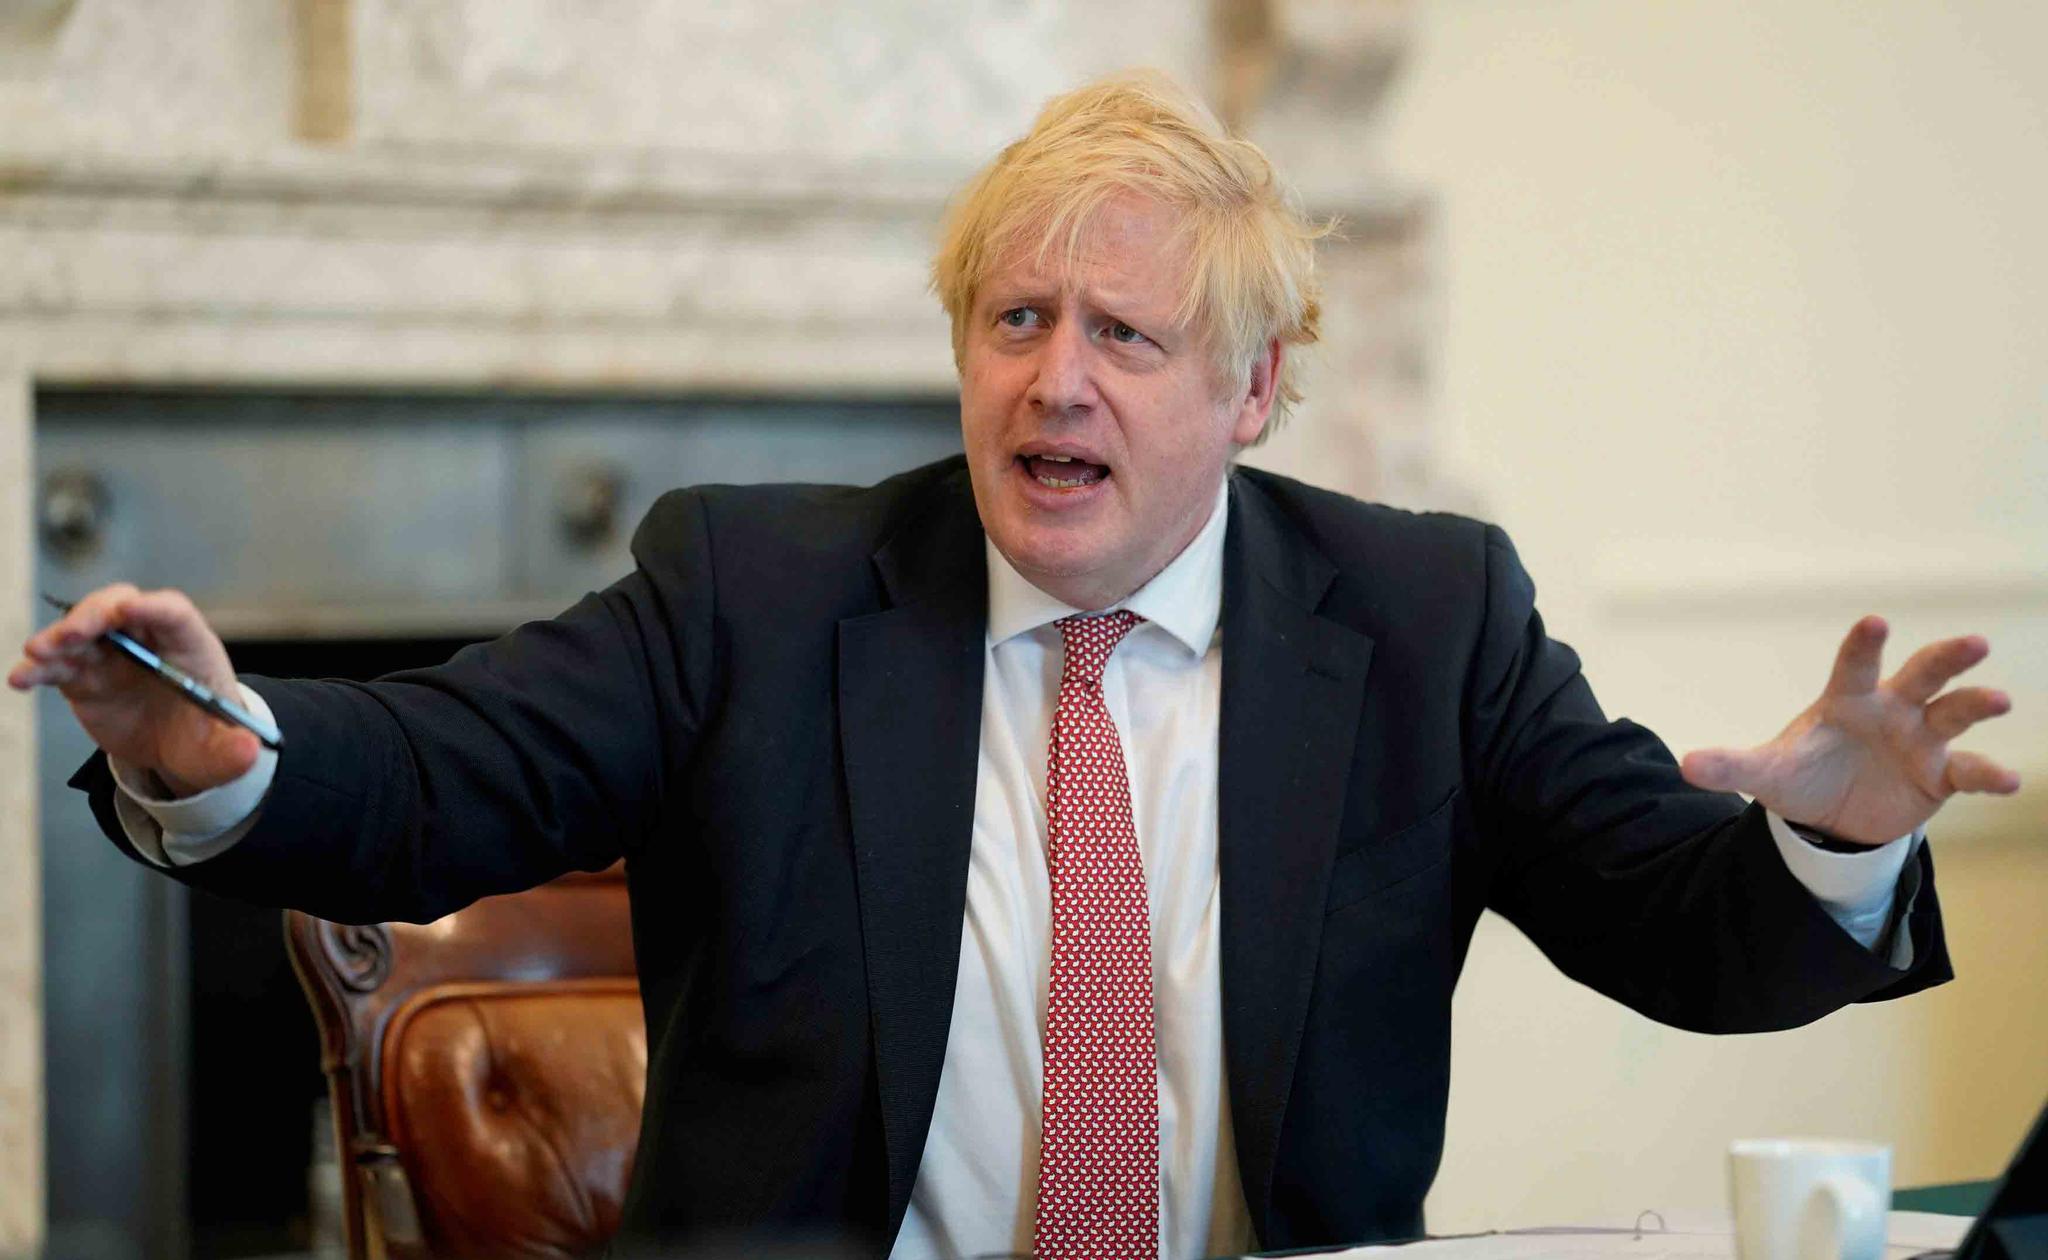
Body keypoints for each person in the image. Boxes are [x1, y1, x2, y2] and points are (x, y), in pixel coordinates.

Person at [9, 73, 2020, 1260]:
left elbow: (1677, 932)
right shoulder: (760, 590)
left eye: (1125, 340)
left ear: (1255, 390)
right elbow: (447, 768)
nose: (1052, 381)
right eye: (1013, 317)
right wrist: (220, 738)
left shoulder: (1423, 620)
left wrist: (1831, 844)